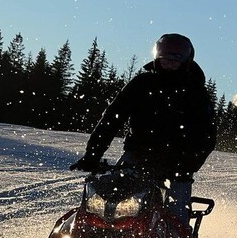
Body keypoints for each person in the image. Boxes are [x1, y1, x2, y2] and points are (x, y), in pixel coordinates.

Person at [70, 33, 217, 225]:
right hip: (137, 157)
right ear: (157, 56)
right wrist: (93, 155)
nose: (169, 64)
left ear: (186, 61)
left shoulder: (196, 93)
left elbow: (206, 136)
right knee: (105, 203)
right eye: (165, 59)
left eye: (176, 60)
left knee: (176, 221)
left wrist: (187, 164)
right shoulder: (142, 84)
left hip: (178, 166)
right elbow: (112, 118)